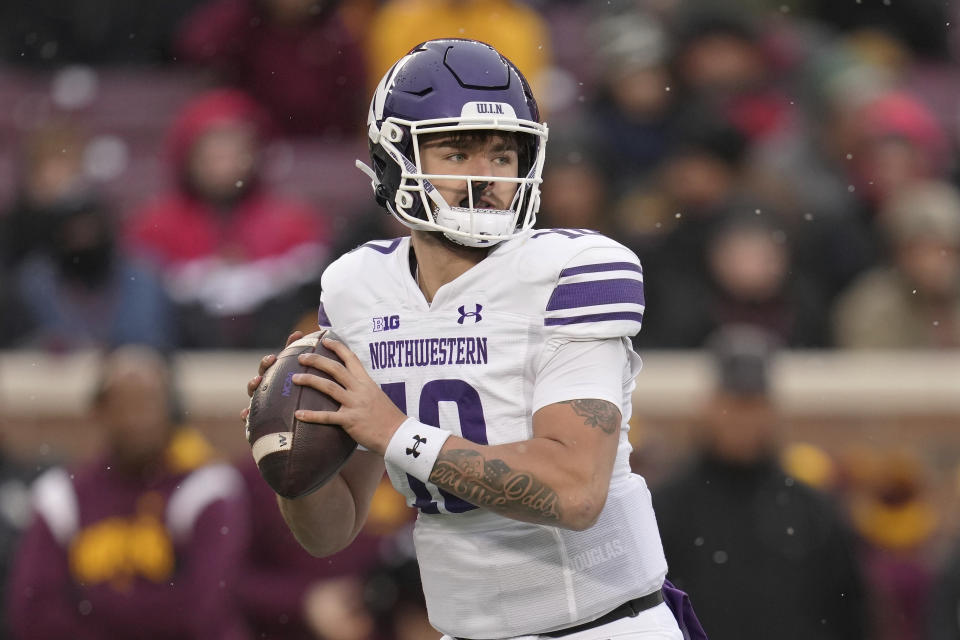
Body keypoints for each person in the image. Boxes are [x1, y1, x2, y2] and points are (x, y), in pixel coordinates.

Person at [242, 39, 702, 640]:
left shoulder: (574, 269)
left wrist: (396, 432)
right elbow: (331, 532)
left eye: (502, 155)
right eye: (457, 152)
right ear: (393, 161)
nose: (485, 177)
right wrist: (291, 452)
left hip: (602, 626)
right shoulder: (357, 288)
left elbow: (576, 490)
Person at [7, 346, 249, 640]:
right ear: (98, 411)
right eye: (122, 404)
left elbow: (205, 611)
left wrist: (92, 604)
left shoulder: (208, 486)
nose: (135, 419)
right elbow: (33, 614)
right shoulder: (62, 493)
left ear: (170, 410)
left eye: (147, 402)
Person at [652, 325, 867, 640]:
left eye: (754, 405)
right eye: (735, 404)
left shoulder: (813, 511)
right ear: (709, 406)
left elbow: (849, 612)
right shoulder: (667, 508)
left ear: (773, 411)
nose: (744, 420)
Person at [125, 88, 332, 348]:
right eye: (212, 151)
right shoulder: (153, 226)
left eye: (234, 150)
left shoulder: (294, 222)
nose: (223, 163)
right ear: (188, 156)